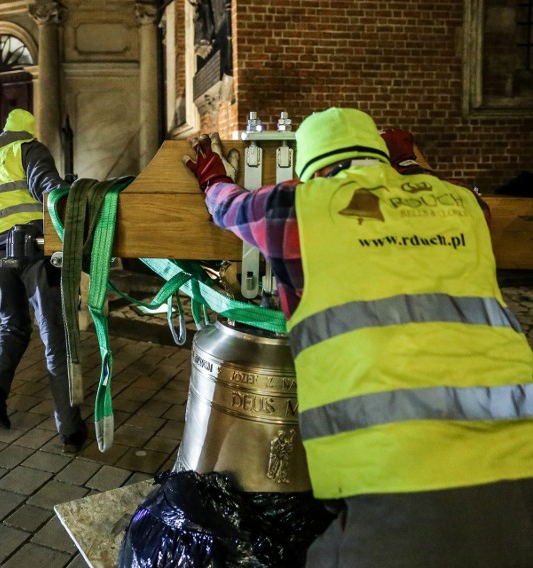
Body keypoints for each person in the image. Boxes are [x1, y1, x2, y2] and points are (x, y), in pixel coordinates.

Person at [183, 107, 533, 567]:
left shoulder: (296, 207)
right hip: (521, 451)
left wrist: (211, 175)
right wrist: (409, 169)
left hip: (400, 472)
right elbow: (461, 209)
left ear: (312, 169)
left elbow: (226, 205)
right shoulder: (463, 204)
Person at [0, 109, 87, 454]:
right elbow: (50, 188)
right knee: (54, 332)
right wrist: (71, 195)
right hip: (31, 246)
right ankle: (70, 430)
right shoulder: (30, 149)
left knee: (12, 324)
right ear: (28, 131)